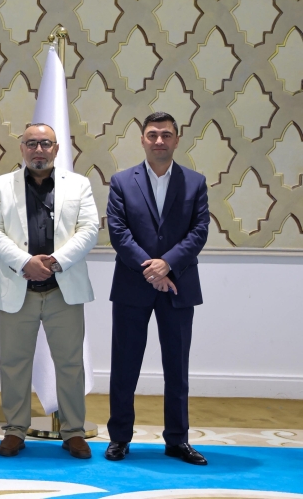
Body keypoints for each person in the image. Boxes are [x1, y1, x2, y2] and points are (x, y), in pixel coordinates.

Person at [0, 123, 98, 459]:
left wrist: (57, 261)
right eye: (31, 143)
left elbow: (89, 229)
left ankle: (73, 431)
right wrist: (25, 262)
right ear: (22, 148)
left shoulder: (79, 185)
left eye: (45, 143)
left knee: (71, 364)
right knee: (14, 363)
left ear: (56, 149)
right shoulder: (0, 186)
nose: (38, 149)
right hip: (18, 288)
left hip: (63, 288)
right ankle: (15, 430)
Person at [104, 112, 209, 466]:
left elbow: (199, 231)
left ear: (177, 139)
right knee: (124, 365)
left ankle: (177, 440)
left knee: (177, 368)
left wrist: (168, 265)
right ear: (143, 140)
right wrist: (152, 269)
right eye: (152, 134)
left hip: (178, 286)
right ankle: (119, 437)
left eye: (166, 134)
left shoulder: (195, 182)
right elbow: (118, 232)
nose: (159, 140)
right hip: (133, 286)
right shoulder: (122, 181)